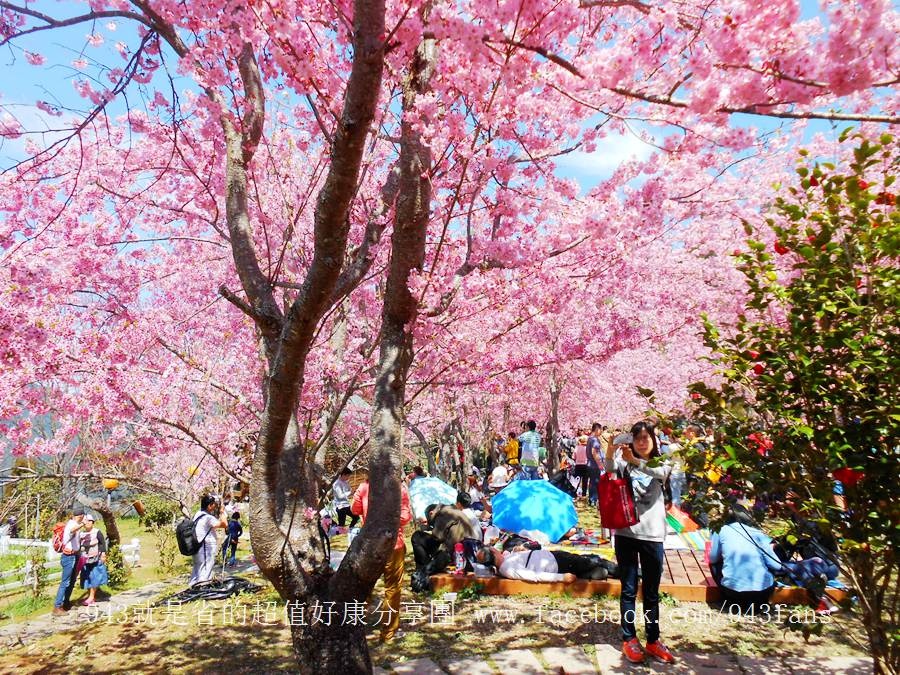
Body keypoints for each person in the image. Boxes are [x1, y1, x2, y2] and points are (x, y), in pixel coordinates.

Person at [605, 421, 675, 665]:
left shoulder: (662, 462)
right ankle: (629, 638)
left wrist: (635, 461)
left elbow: (660, 474)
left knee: (652, 592)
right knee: (628, 589)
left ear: (654, 440)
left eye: (647, 437)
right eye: (638, 438)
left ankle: (653, 639)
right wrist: (611, 449)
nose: (643, 442)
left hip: (653, 534)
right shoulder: (625, 462)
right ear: (632, 442)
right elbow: (609, 469)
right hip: (626, 533)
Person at [350, 478, 411, 642]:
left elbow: (354, 509)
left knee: (363, 585)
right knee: (392, 588)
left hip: (369, 545)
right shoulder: (399, 489)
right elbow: (405, 517)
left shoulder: (363, 487)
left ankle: (354, 624)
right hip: (393, 545)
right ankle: (389, 631)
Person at [474, 544, 617, 582]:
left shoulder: (505, 562)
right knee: (593, 559)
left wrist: (519, 551)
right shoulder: (508, 569)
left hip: (553, 557)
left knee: (586, 559)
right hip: (557, 565)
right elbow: (533, 575)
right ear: (493, 553)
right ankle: (629, 573)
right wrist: (562, 578)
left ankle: (590, 574)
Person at [53, 504, 86, 615]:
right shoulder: (72, 524)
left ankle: (66, 603)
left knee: (71, 581)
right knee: (65, 582)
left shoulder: (75, 524)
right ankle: (57, 607)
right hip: (69, 557)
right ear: (81, 515)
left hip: (75, 555)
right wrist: (82, 524)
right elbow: (72, 530)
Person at [189, 495, 228, 586]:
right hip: (206, 547)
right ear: (209, 506)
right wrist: (222, 512)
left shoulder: (197, 514)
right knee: (206, 569)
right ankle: (203, 588)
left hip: (197, 546)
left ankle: (193, 587)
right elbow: (224, 524)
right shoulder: (207, 517)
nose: (215, 506)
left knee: (197, 568)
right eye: (214, 504)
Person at [79, 513, 108, 606]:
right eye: (85, 521)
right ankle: (90, 596)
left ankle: (91, 597)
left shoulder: (97, 532)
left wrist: (103, 554)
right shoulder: (81, 533)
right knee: (87, 577)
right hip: (85, 559)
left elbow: (102, 543)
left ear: (93, 522)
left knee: (95, 577)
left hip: (95, 558)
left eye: (89, 521)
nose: (87, 523)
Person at [586, 423, 604, 506]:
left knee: (592, 482)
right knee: (595, 482)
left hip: (590, 463)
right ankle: (593, 500)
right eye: (600, 430)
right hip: (594, 464)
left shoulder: (590, 438)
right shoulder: (594, 440)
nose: (601, 432)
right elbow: (594, 452)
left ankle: (592, 499)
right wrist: (600, 464)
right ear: (597, 429)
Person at [573, 433, 590, 499]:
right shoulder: (588, 448)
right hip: (586, 465)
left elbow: (573, 457)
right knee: (585, 480)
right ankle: (584, 494)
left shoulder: (577, 447)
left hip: (578, 465)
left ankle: (574, 492)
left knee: (577, 480)